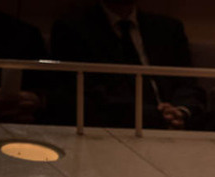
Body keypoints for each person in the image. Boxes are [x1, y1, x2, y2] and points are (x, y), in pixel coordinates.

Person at [49, 0, 205, 129]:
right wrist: (153, 114)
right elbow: (84, 89)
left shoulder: (168, 28)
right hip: (118, 121)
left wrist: (181, 110)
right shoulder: (73, 28)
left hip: (176, 117)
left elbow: (187, 81)